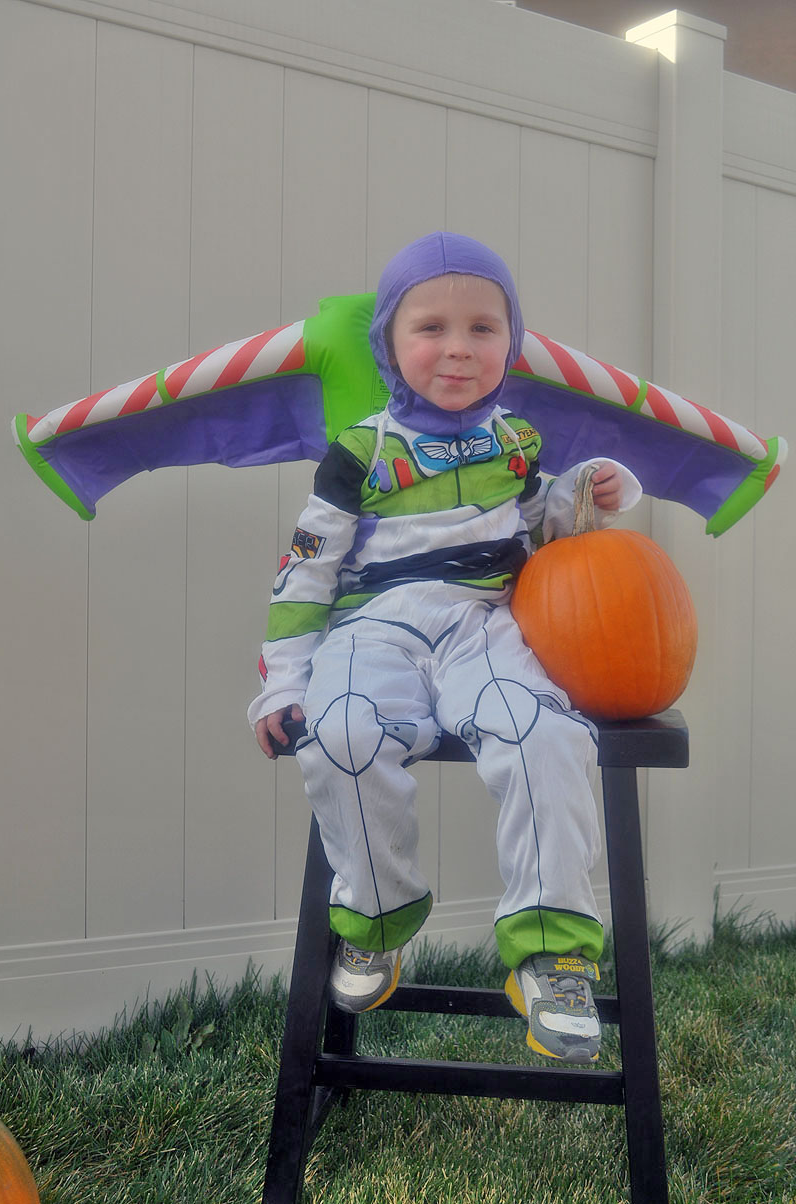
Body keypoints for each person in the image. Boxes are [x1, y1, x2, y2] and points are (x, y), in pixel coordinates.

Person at [248, 232, 641, 1063]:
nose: (458, 348)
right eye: (431, 328)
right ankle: (377, 919)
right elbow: (306, 573)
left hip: (484, 624)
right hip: (375, 627)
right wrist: (282, 683)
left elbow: (545, 531)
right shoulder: (359, 451)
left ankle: (552, 952)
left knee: (544, 734)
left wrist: (589, 487)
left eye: (482, 329)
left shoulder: (517, 443)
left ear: (511, 342)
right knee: (342, 732)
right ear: (389, 341)